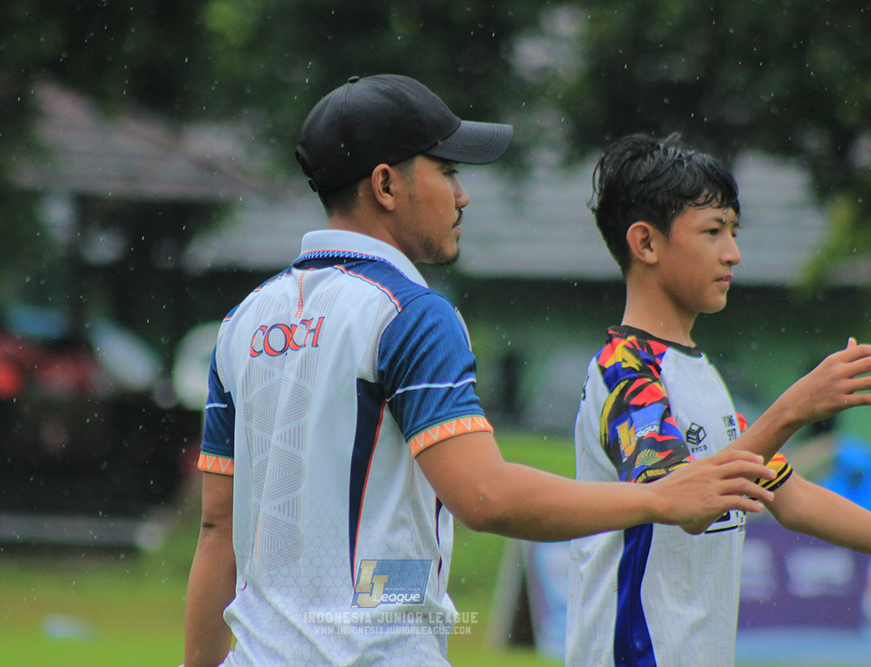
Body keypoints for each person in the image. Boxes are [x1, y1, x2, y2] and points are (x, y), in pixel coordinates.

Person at [183, 77, 779, 667]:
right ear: (386, 184)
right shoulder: (412, 314)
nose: (463, 194)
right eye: (447, 172)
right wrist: (659, 499)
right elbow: (486, 497)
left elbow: (217, 527)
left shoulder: (244, 320)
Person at [565, 132, 871, 667]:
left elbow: (791, 497)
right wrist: (794, 409)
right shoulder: (625, 372)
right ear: (645, 244)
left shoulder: (699, 373)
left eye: (734, 231)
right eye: (713, 231)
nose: (733, 253)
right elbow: (683, 503)